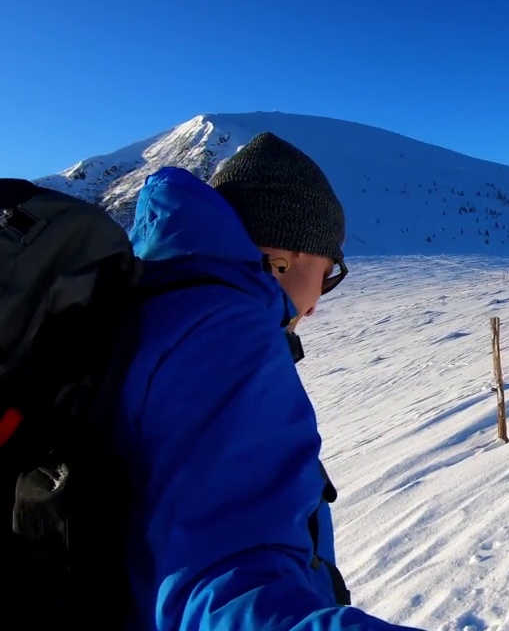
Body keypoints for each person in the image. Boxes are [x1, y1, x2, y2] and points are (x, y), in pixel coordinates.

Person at [109, 132, 417, 629]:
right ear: (287, 257)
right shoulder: (223, 331)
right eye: (330, 271)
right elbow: (228, 587)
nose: (317, 304)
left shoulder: (161, 304)